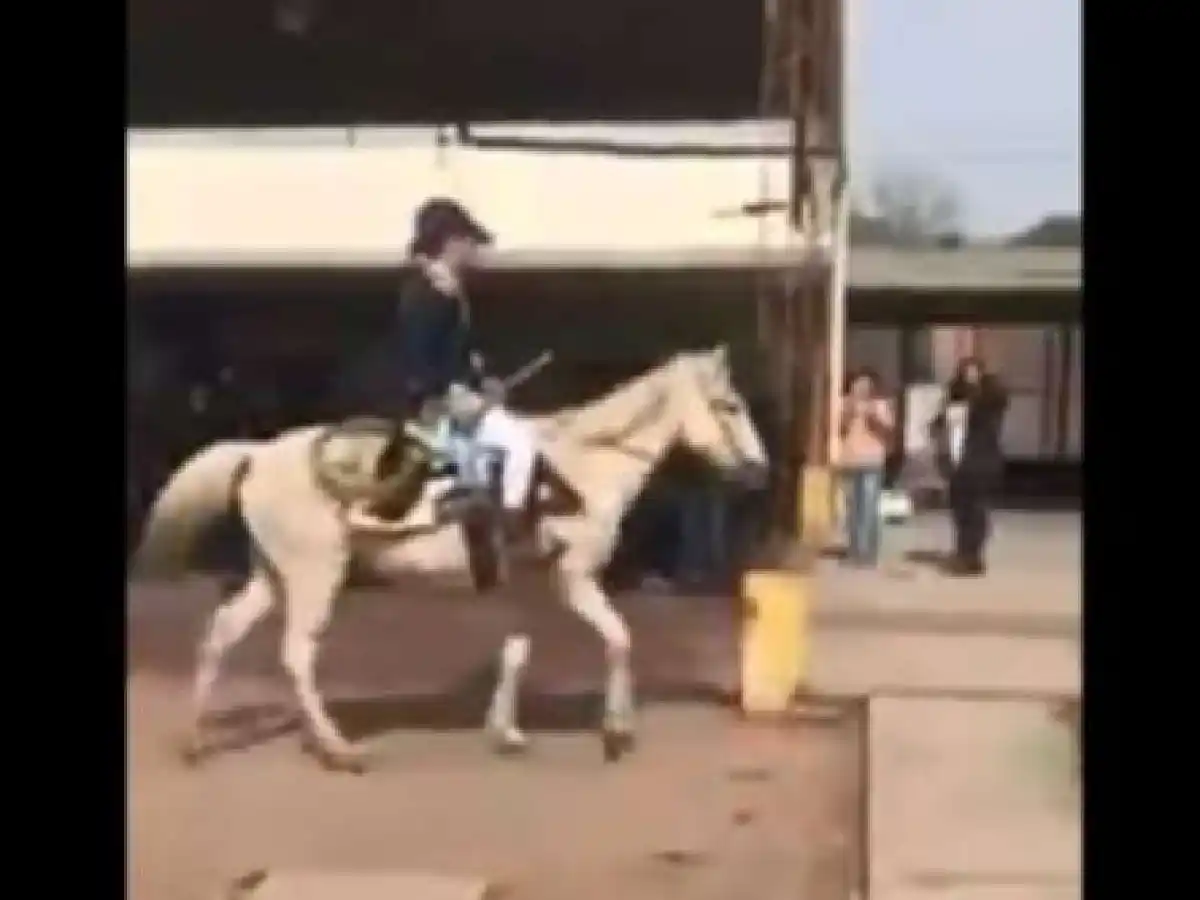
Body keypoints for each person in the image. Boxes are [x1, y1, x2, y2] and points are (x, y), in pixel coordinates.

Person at [342, 197, 540, 551]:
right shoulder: (424, 292)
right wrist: (459, 397)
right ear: (450, 241)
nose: (473, 250)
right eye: (468, 241)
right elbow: (420, 358)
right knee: (520, 442)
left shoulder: (447, 290)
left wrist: (484, 381)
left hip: (450, 393)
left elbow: (460, 355)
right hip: (432, 400)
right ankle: (510, 529)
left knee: (484, 452)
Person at [929, 356, 1009, 576]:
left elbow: (999, 399)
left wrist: (983, 386)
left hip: (981, 462)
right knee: (960, 510)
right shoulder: (953, 401)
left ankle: (973, 557)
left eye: (974, 371)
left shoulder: (988, 401)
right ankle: (963, 552)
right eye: (965, 372)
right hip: (956, 464)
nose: (969, 376)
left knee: (977, 510)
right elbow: (935, 426)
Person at [836, 369, 894, 567]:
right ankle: (855, 550)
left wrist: (872, 415)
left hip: (872, 461)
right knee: (852, 509)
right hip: (850, 461)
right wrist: (850, 411)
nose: (860, 388)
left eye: (864, 384)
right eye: (857, 384)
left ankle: (867, 553)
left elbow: (887, 430)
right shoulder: (845, 404)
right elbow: (839, 429)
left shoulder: (880, 405)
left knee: (868, 508)